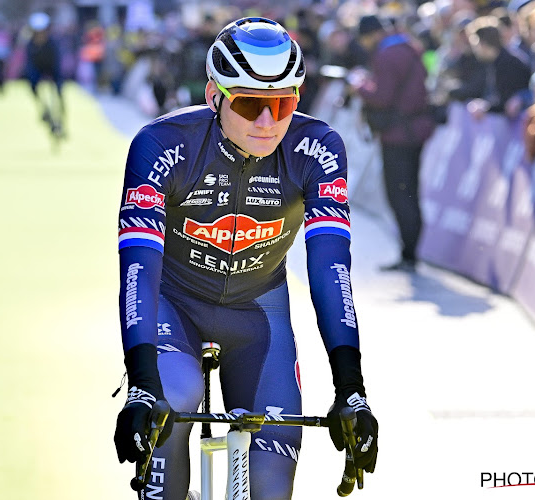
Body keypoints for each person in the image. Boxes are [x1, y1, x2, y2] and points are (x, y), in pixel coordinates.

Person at [113, 17, 378, 499]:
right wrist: (140, 383)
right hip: (174, 303)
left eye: (284, 104)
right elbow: (138, 267)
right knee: (174, 400)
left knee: (270, 488)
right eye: (252, 103)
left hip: (260, 312)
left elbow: (330, 269)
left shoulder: (316, 149)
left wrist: (351, 390)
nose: (268, 121)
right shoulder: (162, 144)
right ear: (214, 96)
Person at [351, 14, 435, 272]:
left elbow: (382, 97)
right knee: (409, 191)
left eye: (365, 38)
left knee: (399, 193)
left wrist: (360, 86)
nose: (364, 44)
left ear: (373, 34)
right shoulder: (407, 48)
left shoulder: (387, 55)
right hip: (413, 132)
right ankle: (410, 252)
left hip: (399, 135)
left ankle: (408, 254)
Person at [24, 12, 64, 135]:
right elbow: (30, 63)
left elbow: (57, 63)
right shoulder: (30, 44)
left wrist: (57, 80)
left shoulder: (52, 44)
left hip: (52, 68)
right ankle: (42, 107)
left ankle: (61, 114)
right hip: (38, 68)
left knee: (59, 88)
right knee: (31, 83)